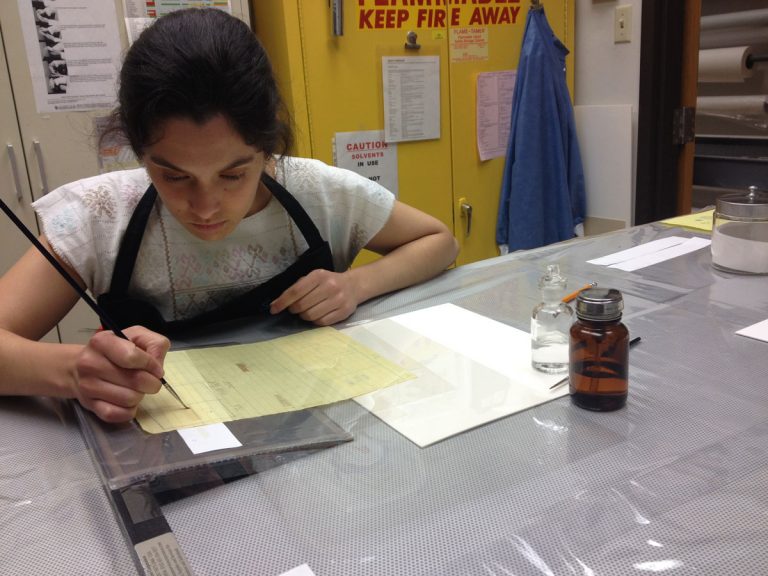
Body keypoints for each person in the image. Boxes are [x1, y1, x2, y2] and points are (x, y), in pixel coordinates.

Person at [0, 8, 458, 424]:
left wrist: (356, 284)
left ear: (268, 148)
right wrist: (74, 371)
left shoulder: (318, 192)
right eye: (174, 176)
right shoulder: (100, 215)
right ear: (140, 153)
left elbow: (440, 241)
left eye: (234, 174)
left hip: (327, 440)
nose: (205, 207)